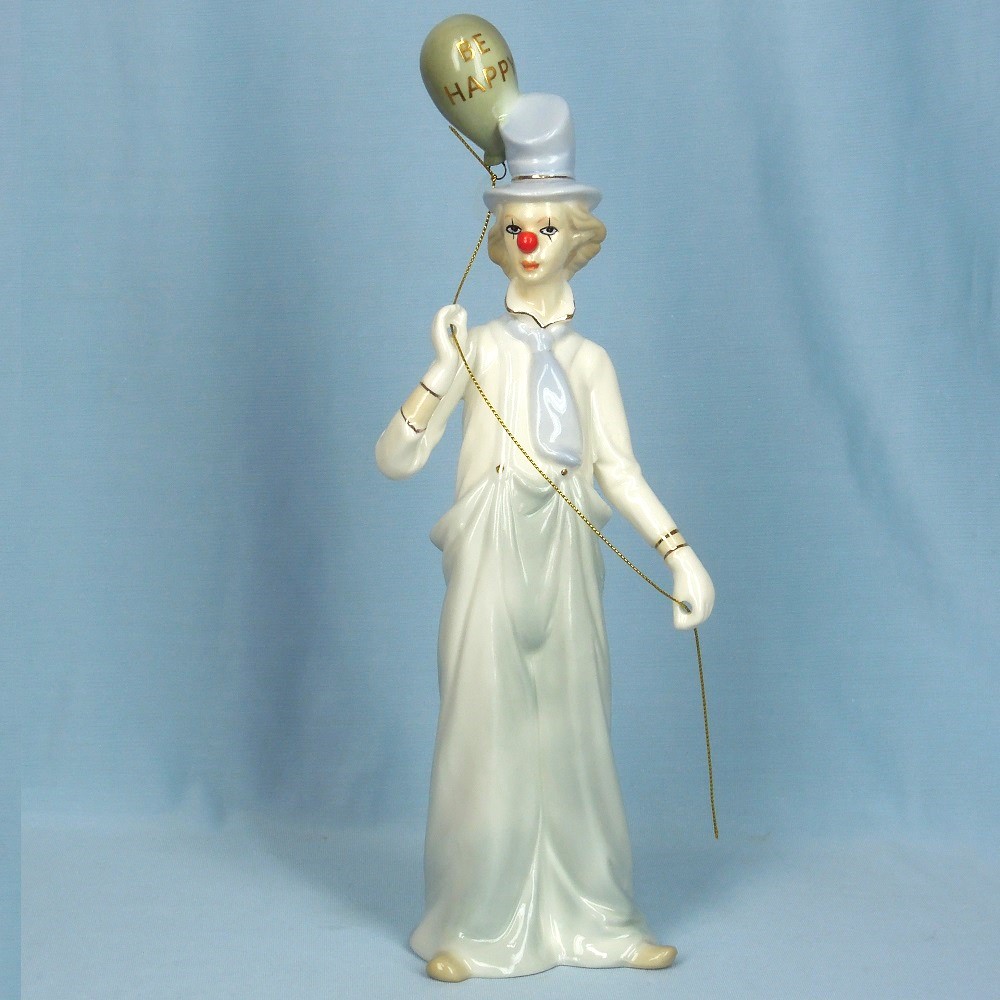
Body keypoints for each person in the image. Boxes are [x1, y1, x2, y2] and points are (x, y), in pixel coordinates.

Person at [375, 94, 714, 981]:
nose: (529, 241)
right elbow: (396, 459)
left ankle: (599, 915)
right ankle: (472, 921)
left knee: (573, 733)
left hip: (566, 552)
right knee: (483, 733)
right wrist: (438, 371)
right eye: (516, 227)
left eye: (548, 226)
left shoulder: (592, 364)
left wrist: (679, 555)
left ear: (578, 242)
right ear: (498, 240)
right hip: (491, 548)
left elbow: (618, 470)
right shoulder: (479, 349)